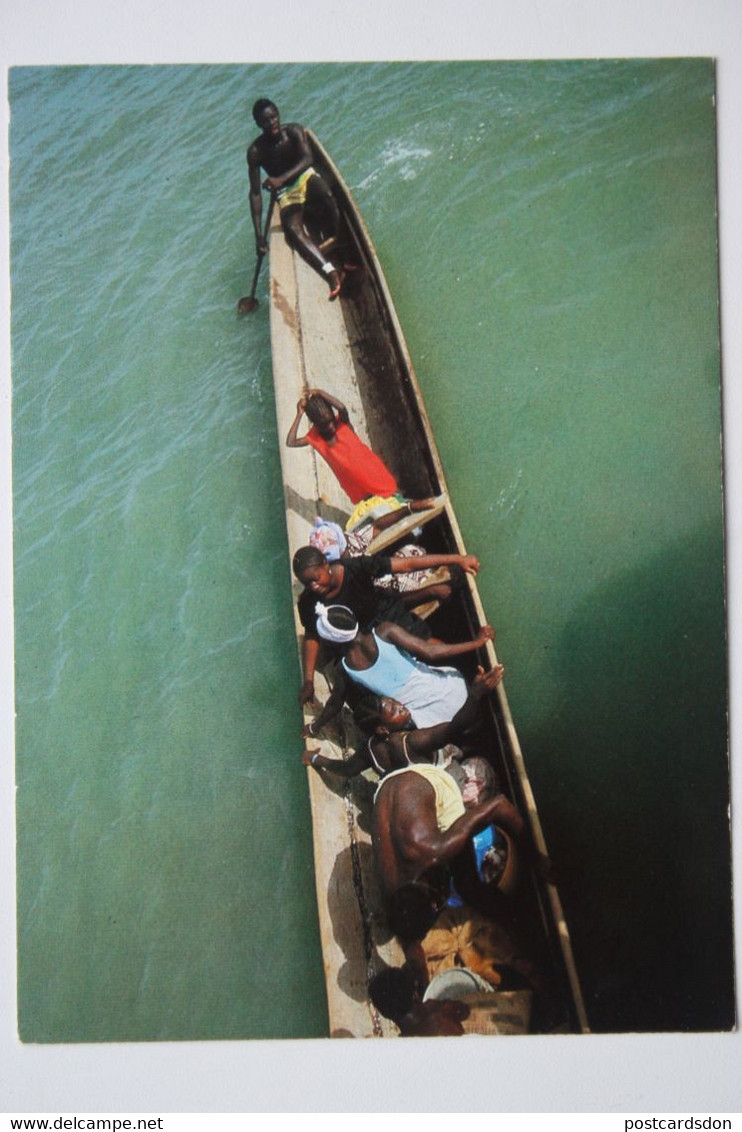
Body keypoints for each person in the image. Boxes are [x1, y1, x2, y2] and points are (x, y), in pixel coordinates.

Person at [293, 545, 481, 707]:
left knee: (434, 649)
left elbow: (407, 565)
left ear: (326, 565)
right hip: (362, 640)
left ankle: (472, 675)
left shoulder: (355, 568)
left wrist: (459, 559)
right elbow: (312, 635)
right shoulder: (309, 602)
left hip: (388, 616)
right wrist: (308, 680)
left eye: (316, 578)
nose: (313, 586)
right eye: (306, 583)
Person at [307, 604, 493, 729]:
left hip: (431, 718)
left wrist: (314, 727)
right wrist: (475, 643)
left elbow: (335, 704)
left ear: (332, 642)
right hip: (451, 689)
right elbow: (430, 651)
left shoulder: (345, 669)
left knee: (467, 726)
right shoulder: (385, 630)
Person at [302, 664, 504, 777]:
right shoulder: (412, 741)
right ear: (382, 728)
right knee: (480, 766)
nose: (401, 706)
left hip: (417, 778)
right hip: (447, 775)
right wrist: (476, 694)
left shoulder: (372, 749)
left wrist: (315, 759)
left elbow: (347, 769)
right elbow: (455, 727)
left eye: (394, 702)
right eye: (394, 710)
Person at [247, 100, 344, 299]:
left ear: (278, 114)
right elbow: (255, 194)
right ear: (258, 124)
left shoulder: (294, 131)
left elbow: (308, 159)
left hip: (304, 176)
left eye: (274, 117)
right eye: (266, 121)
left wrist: (279, 179)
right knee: (293, 230)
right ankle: (329, 270)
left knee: (327, 195)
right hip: (286, 193)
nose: (272, 123)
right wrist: (258, 236)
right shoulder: (255, 152)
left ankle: (343, 247)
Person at [286, 389, 399, 505]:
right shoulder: (315, 439)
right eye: (325, 424)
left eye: (331, 421)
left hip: (373, 474)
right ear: (316, 424)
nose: (331, 426)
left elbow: (342, 407)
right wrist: (299, 415)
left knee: (392, 497)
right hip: (355, 487)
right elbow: (291, 442)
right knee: (371, 508)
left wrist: (319, 392)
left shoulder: (342, 423)